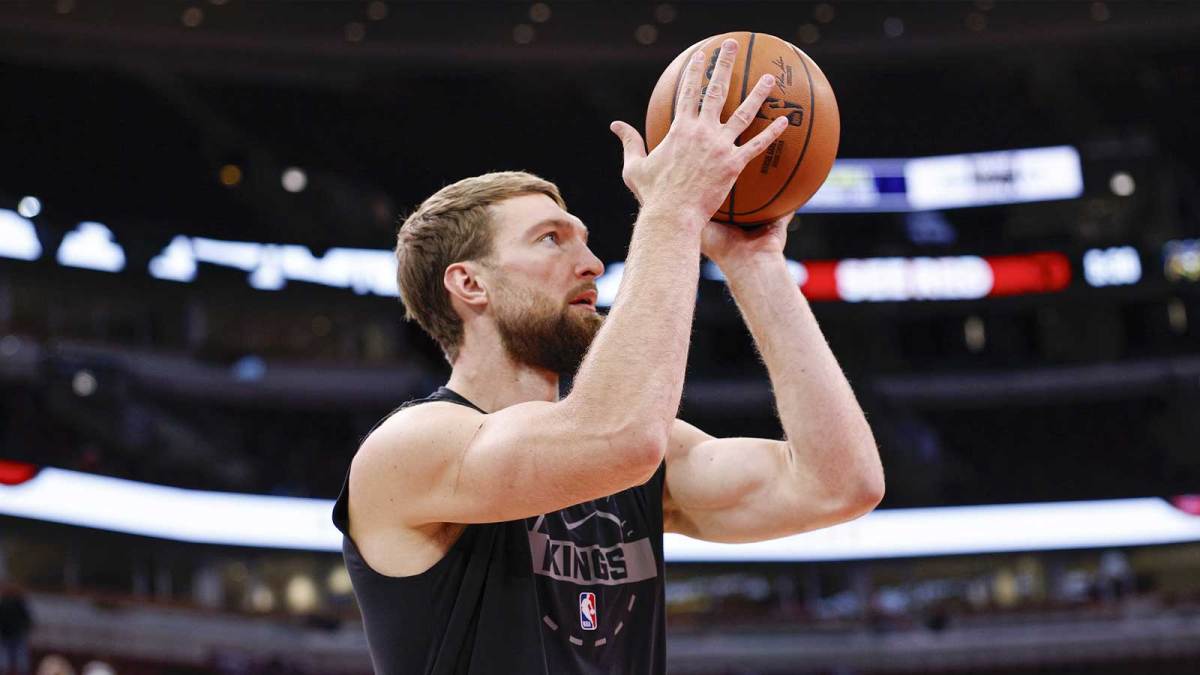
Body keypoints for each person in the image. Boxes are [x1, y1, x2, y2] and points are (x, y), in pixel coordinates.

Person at [332, 39, 884, 675]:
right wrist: (672, 210)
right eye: (551, 240)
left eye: (587, 242)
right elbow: (617, 438)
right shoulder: (409, 449)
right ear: (470, 284)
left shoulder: (642, 457)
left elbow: (839, 485)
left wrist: (753, 262)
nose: (593, 265)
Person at [0, 582, 32, 675]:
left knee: (5, 656)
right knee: (20, 656)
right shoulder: (20, 602)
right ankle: (22, 672)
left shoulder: (3, 603)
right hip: (17, 633)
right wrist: (26, 628)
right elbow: (27, 618)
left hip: (5, 633)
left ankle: (4, 671)